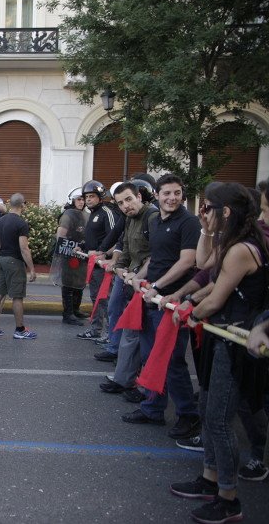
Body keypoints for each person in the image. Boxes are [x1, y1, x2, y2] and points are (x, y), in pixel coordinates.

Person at [169, 182, 269, 524]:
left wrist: (189, 311)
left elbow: (217, 297)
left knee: (219, 421)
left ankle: (229, 499)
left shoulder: (243, 248)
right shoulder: (229, 241)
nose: (203, 214)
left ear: (225, 212)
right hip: (219, 335)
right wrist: (207, 231)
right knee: (207, 407)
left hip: (234, 341)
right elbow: (205, 266)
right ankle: (209, 479)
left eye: (208, 209)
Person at [123, 173, 201, 439]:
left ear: (182, 195)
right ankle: (153, 408)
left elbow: (187, 262)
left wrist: (157, 286)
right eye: (166, 193)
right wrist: (140, 276)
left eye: (177, 193)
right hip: (151, 299)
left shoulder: (189, 222)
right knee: (150, 357)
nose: (172, 198)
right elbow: (155, 257)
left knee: (172, 361)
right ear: (156, 195)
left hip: (170, 302)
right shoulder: (156, 221)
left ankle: (188, 415)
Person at [98, 182, 157, 397]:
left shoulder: (152, 217)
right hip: (133, 285)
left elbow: (156, 255)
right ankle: (124, 380)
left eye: (129, 199)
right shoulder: (130, 219)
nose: (125, 206)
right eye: (121, 203)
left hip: (148, 287)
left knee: (147, 341)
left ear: (139, 196)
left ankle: (145, 390)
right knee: (130, 334)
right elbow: (126, 249)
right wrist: (120, 268)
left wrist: (137, 276)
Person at [0, 193, 37, 339]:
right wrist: (32, 269)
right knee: (17, 297)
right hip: (14, 262)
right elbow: (24, 249)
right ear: (22, 205)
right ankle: (20, 330)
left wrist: (6, 246)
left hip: (1, 259)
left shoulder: (1, 220)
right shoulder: (21, 224)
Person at [77, 180, 117, 341]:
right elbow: (94, 238)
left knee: (106, 299)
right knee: (95, 298)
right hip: (93, 264)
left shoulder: (107, 212)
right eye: (86, 197)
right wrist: (83, 247)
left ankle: (109, 334)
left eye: (92, 196)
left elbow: (115, 239)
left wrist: (104, 254)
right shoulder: (93, 214)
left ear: (101, 197)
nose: (88, 200)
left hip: (104, 265)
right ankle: (95, 329)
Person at [55, 186, 89, 325]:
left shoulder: (84, 214)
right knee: (69, 284)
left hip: (81, 254)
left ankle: (76, 310)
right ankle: (67, 314)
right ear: (72, 200)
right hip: (69, 255)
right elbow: (60, 235)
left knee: (79, 283)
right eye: (79, 199)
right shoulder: (68, 214)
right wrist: (69, 249)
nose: (82, 202)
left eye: (84, 199)